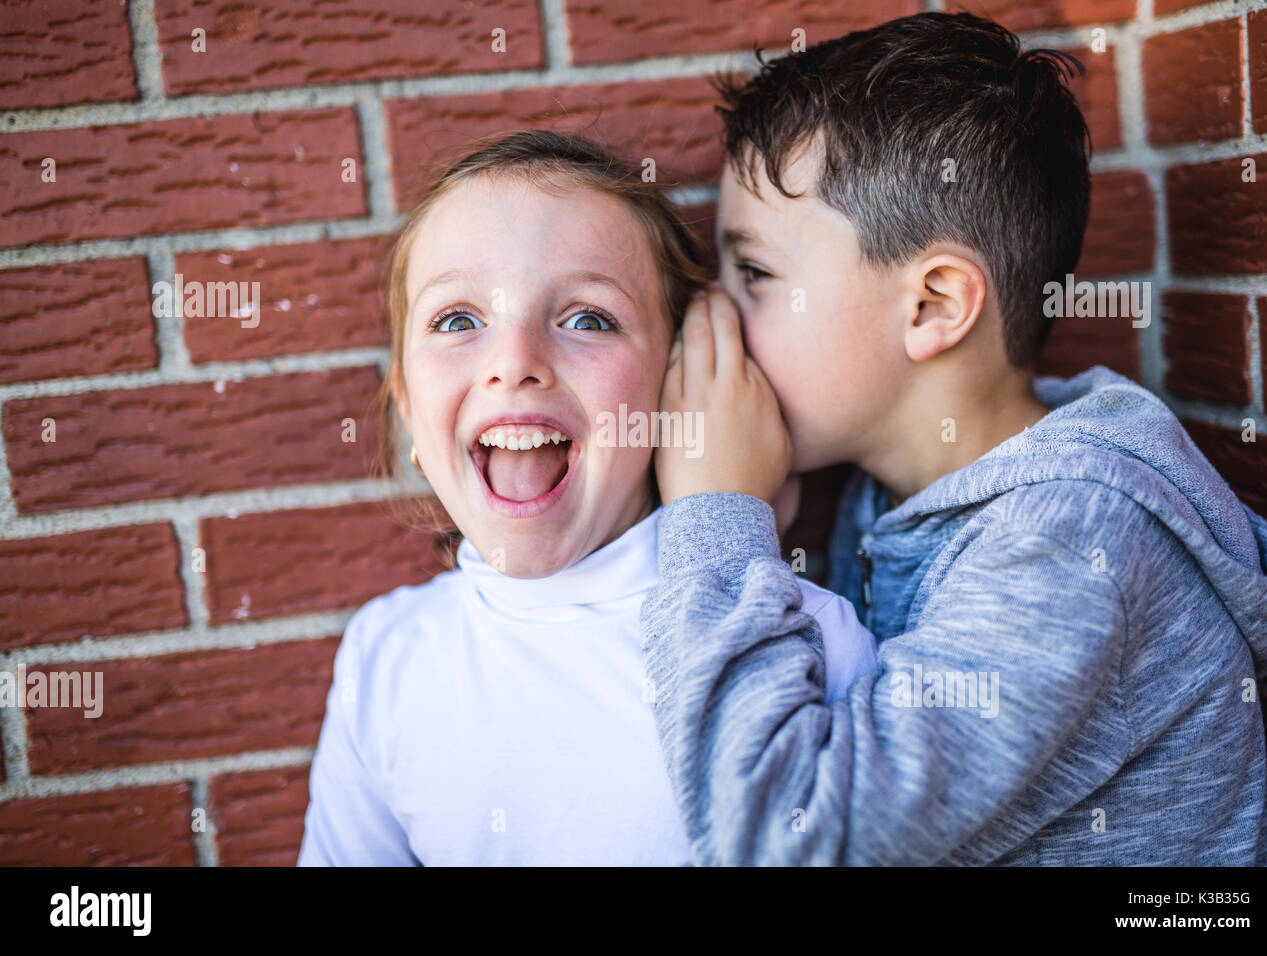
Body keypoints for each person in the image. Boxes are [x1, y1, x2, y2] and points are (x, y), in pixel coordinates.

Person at [642, 12, 1267, 865]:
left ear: (935, 307)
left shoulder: (1065, 543)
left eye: (756, 273)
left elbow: (785, 836)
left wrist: (718, 520)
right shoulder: (896, 493)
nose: (716, 312)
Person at [296, 130, 876, 865]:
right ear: (408, 404)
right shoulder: (385, 661)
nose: (514, 363)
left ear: (680, 386)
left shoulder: (810, 642)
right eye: (458, 320)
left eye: (587, 319)